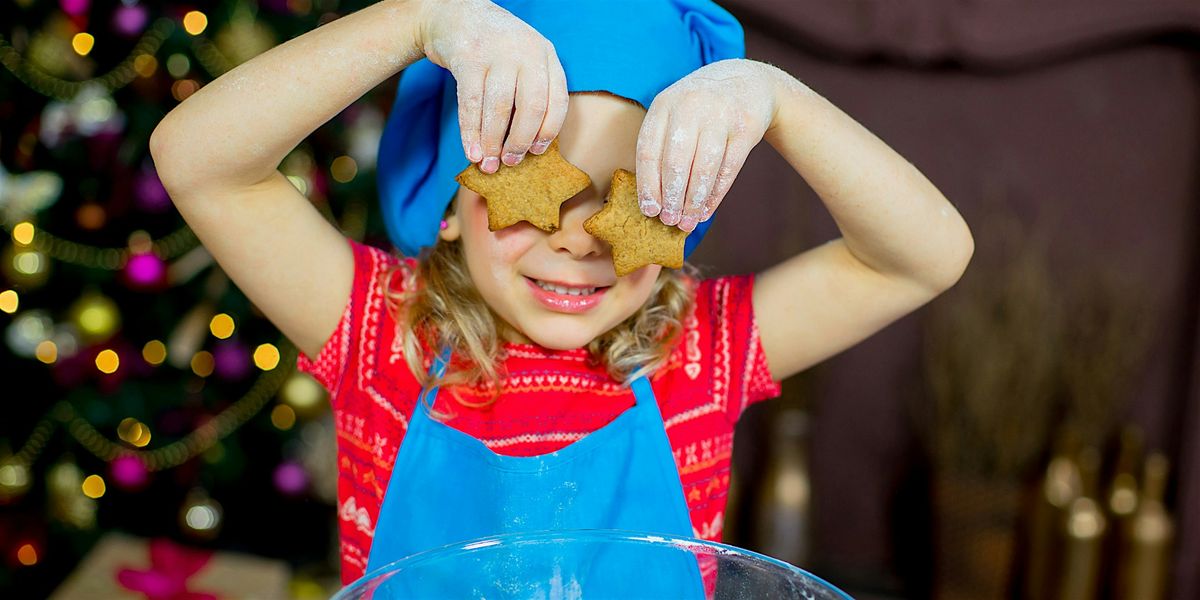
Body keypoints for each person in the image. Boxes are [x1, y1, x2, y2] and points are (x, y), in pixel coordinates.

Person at [149, 0, 974, 591]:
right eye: (534, 183)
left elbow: (926, 257)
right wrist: (420, 21)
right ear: (447, 203)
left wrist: (774, 98)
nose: (578, 240)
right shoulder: (379, 329)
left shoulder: (702, 347)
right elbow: (195, 161)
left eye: (635, 196)